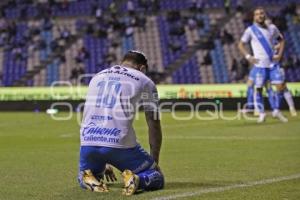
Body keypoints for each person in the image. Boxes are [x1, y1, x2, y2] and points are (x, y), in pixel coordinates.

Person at [78, 50, 164, 195]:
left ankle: (87, 178)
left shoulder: (97, 76)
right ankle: (137, 179)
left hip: (88, 142)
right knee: (157, 177)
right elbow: (153, 122)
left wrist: (104, 159)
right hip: (119, 144)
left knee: (87, 173)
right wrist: (154, 162)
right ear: (142, 68)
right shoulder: (144, 81)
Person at [238, 7, 288, 123]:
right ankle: (261, 113)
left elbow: (281, 40)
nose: (259, 16)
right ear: (254, 17)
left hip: (273, 65)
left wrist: (279, 55)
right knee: (259, 89)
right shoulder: (250, 30)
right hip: (260, 66)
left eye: (261, 13)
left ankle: (276, 110)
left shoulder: (272, 28)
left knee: (281, 87)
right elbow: (240, 44)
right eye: (257, 14)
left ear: (264, 15)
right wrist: (248, 57)